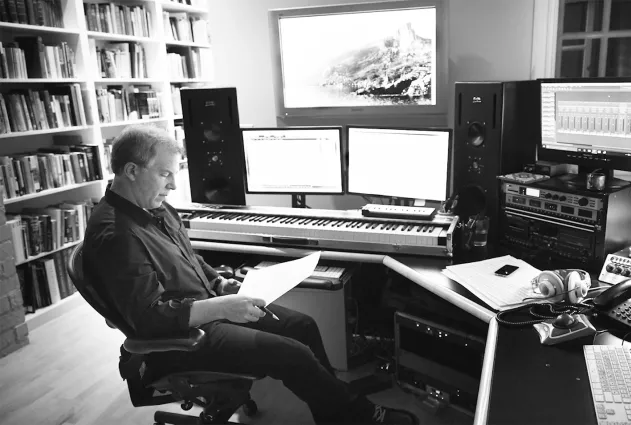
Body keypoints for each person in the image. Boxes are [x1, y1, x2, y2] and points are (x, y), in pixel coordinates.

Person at [83, 125, 419, 425]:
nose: (172, 184)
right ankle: (356, 416)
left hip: (207, 309)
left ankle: (337, 412)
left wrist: (218, 283)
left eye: (175, 174)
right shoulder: (115, 235)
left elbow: (189, 258)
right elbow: (148, 318)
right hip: (180, 339)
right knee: (292, 354)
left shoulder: (153, 205)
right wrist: (223, 307)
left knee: (302, 325)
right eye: (164, 175)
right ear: (130, 170)